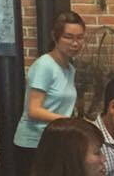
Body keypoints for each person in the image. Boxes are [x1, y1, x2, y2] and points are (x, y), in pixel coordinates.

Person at [12, 11, 86, 166]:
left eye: (79, 38)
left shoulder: (70, 69)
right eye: (68, 37)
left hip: (56, 140)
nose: (75, 43)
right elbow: (33, 110)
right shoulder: (44, 65)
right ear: (55, 37)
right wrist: (70, 122)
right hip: (34, 143)